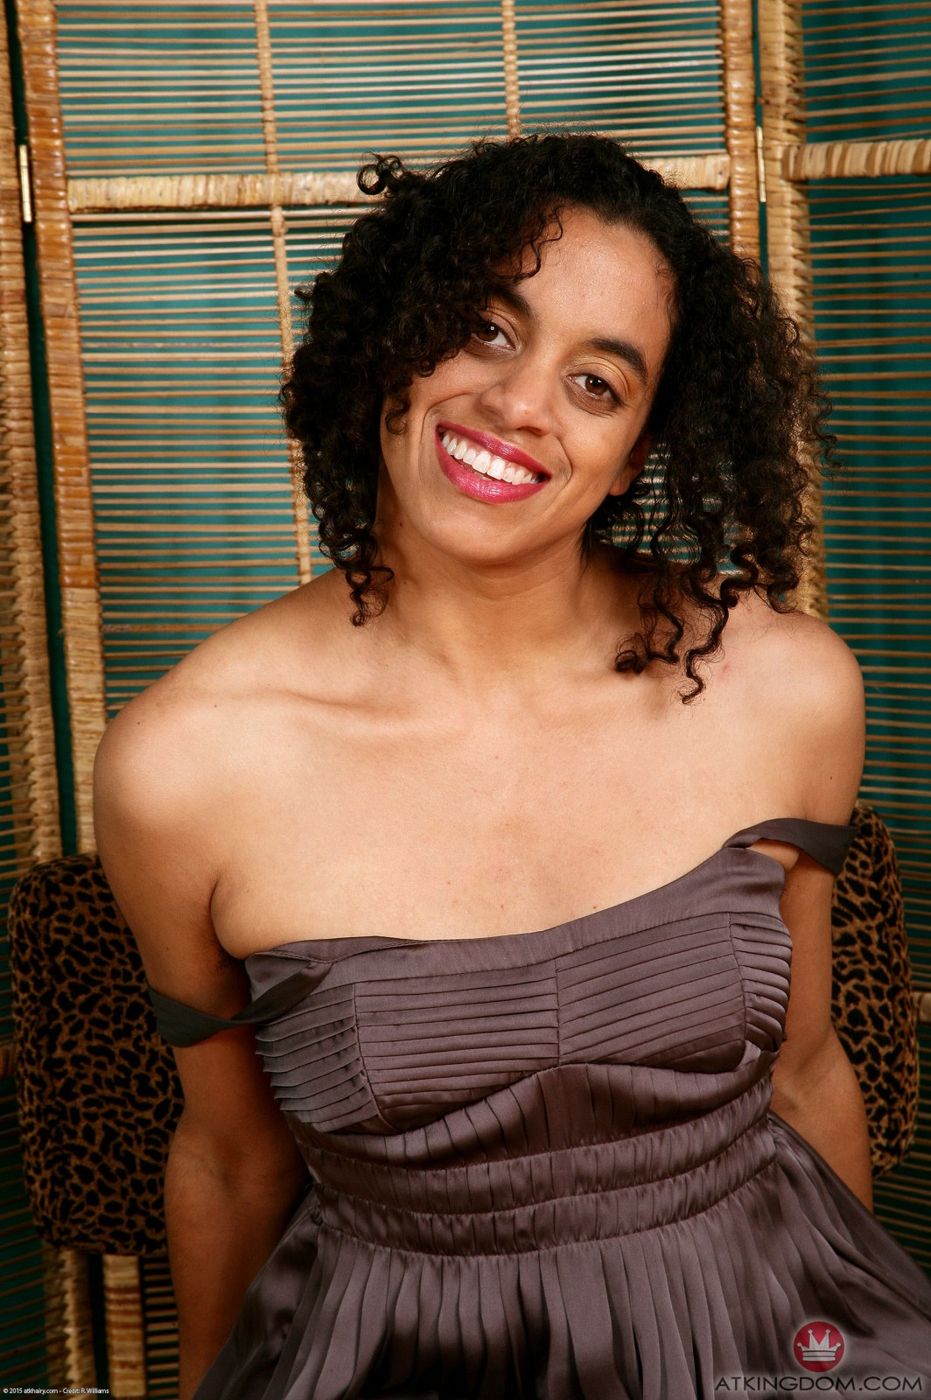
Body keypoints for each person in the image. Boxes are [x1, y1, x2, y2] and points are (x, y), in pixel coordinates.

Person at [93, 131, 931, 1400]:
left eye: (596, 382)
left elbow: (806, 1072)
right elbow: (230, 1157)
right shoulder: (184, 765)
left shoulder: (782, 687)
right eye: (487, 328)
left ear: (638, 450)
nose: (521, 402)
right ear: (399, 335)